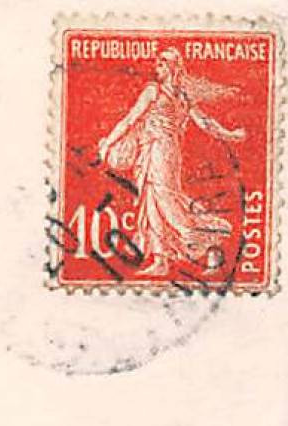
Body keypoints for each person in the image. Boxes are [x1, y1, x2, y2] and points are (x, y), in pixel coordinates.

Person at [96, 49, 247, 278]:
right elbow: (203, 122)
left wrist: (108, 144)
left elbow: (131, 119)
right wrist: (230, 134)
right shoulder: (173, 95)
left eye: (161, 65)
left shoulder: (158, 92)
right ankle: (161, 259)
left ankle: (209, 237)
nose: (157, 69)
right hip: (157, 151)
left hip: (161, 150)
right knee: (153, 201)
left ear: (171, 68)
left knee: (166, 201)